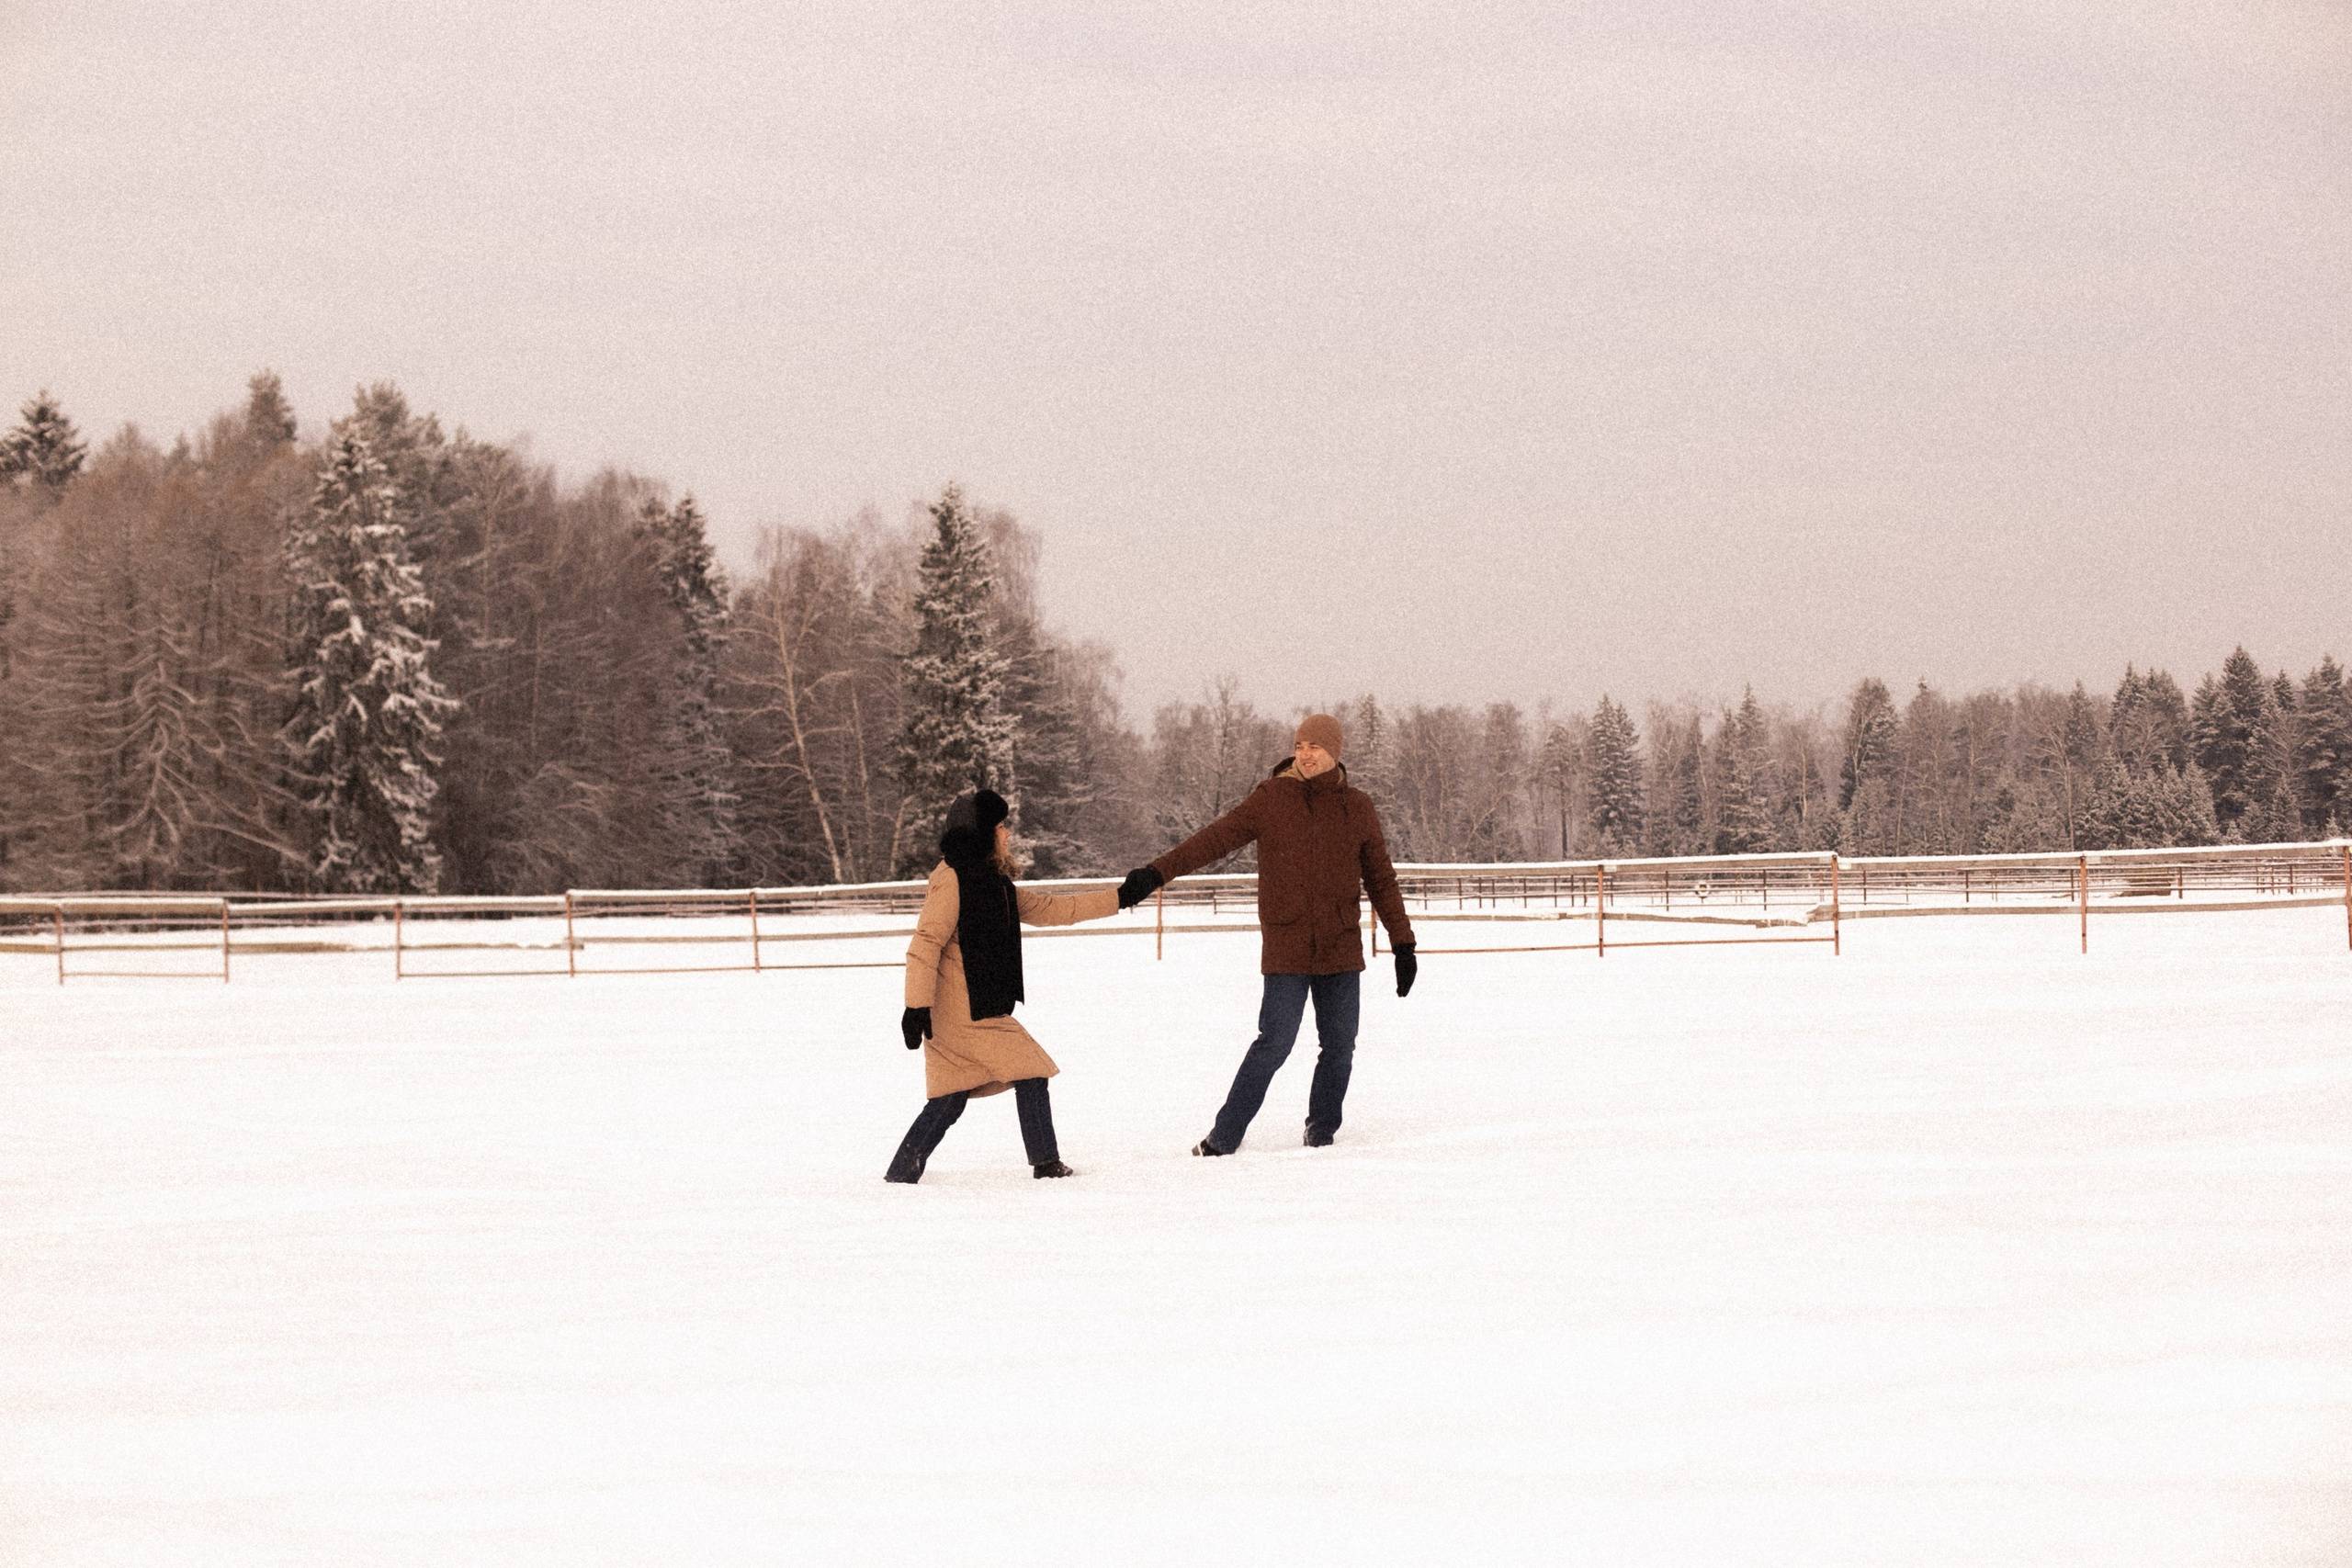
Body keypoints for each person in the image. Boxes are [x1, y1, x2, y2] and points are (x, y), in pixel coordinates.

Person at [1115, 713, 1416, 1155]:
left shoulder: (1358, 807)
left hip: (1339, 945)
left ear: (1334, 751)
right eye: (1299, 746)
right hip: (1287, 944)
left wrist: (1403, 942)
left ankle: (1322, 1131)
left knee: (1339, 1047)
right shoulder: (1271, 798)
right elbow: (1213, 840)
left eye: (1314, 746)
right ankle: (1224, 1137)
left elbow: (1381, 880)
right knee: (1274, 1042)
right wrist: (1156, 873)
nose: (1305, 754)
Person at [888, 788, 1120, 1184]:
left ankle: (901, 1173)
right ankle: (1046, 1164)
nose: (1007, 834)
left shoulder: (991, 882)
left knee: (950, 1097)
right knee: (1031, 1071)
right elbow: (925, 943)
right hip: (966, 1011)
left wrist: (1123, 895)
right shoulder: (953, 880)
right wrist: (915, 1007)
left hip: (963, 1007)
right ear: (981, 833)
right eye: (1000, 827)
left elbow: (1054, 909)